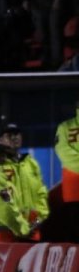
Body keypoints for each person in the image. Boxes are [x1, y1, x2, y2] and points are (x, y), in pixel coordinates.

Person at [0, 123, 48, 240]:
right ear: (1, 140)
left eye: (17, 134)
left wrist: (37, 221)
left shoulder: (31, 163)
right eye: (10, 135)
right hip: (9, 232)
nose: (15, 137)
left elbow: (42, 193)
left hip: (33, 229)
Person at [55, 98, 79, 241]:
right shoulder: (65, 127)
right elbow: (62, 151)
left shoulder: (65, 127)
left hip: (73, 190)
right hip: (74, 191)